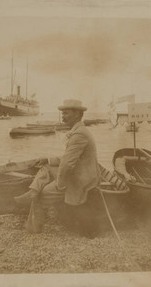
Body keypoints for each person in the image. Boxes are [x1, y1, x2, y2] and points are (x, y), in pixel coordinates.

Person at [14, 99, 100, 237]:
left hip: (81, 180)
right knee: (46, 167)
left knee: (42, 194)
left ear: (77, 114)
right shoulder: (80, 130)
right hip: (80, 173)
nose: (63, 116)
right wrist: (48, 159)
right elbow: (68, 159)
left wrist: (59, 185)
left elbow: (67, 164)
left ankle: (33, 228)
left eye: (66, 113)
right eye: (62, 113)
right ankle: (33, 190)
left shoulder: (79, 134)